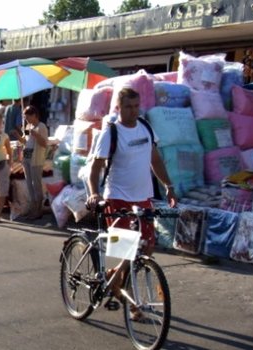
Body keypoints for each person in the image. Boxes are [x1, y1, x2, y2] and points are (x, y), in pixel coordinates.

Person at [85, 87, 177, 315]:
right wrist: (93, 193)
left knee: (146, 250)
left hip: (143, 197)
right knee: (127, 249)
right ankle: (133, 301)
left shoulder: (145, 127)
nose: (133, 111)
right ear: (118, 108)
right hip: (117, 199)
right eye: (128, 107)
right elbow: (94, 168)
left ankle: (114, 280)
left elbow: (155, 159)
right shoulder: (111, 133)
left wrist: (169, 186)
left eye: (136, 106)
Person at [16, 105, 48, 220]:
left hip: (36, 159)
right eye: (25, 117)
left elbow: (44, 143)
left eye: (27, 117)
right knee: (29, 184)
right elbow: (25, 141)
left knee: (36, 184)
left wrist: (36, 134)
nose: (26, 119)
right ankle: (34, 208)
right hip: (27, 157)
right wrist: (17, 136)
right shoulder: (28, 126)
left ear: (34, 115)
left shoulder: (41, 126)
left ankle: (38, 209)